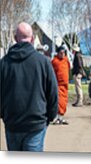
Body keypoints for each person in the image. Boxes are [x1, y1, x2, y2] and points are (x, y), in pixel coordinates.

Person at [0, 22, 58, 152]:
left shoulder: (3, 64)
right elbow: (53, 93)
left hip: (13, 124)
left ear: (15, 38)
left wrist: (4, 115)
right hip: (35, 124)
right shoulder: (43, 62)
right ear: (32, 39)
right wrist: (50, 117)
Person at [51, 46, 70, 124]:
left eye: (64, 53)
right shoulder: (54, 61)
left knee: (64, 102)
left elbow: (68, 69)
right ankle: (56, 117)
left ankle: (61, 117)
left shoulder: (66, 60)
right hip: (58, 85)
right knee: (58, 102)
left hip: (65, 85)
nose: (62, 54)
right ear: (58, 53)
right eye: (61, 53)